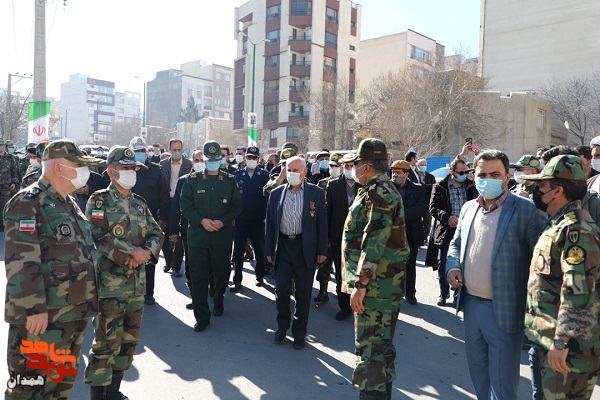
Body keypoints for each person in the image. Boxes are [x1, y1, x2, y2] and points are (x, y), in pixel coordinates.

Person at [4, 139, 102, 399]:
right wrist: (33, 309)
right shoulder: (28, 201)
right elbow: (21, 261)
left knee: (57, 387)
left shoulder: (67, 202)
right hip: (42, 320)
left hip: (71, 313)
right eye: (79, 165)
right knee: (29, 388)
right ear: (59, 168)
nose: (85, 171)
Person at [446, 150, 546, 400]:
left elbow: (542, 265)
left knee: (502, 383)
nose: (487, 179)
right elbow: (456, 244)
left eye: (494, 174)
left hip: (504, 310)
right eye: (482, 174)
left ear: (507, 177)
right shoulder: (469, 208)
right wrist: (453, 266)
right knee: (478, 374)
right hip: (470, 304)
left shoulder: (526, 211)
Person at [84, 145, 164, 400]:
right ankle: (98, 395)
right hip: (109, 286)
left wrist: (147, 252)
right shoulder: (99, 200)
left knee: (129, 341)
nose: (131, 172)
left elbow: (157, 233)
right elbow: (97, 235)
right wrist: (131, 252)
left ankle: (114, 391)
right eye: (125, 168)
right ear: (110, 171)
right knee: (106, 343)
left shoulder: (139, 204)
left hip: (136, 287)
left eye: (133, 168)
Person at [521, 154, 600, 400]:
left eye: (541, 186)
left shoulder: (576, 230)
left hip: (568, 353)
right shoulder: (558, 223)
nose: (536, 190)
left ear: (557, 191)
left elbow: (578, 292)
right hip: (546, 341)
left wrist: (561, 343)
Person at [341, 138, 409, 400]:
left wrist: (360, 285)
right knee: (380, 353)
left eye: (355, 164)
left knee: (372, 354)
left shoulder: (379, 194)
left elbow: (373, 244)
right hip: (381, 286)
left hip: (377, 289)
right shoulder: (375, 190)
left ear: (366, 166)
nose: (353, 168)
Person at [265, 156, 327, 350]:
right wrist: (268, 250)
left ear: (304, 172)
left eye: (296, 170)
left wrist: (322, 250)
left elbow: (322, 223)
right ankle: (282, 327)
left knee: (303, 292)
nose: (292, 173)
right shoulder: (276, 194)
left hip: (305, 247)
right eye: (289, 169)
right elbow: (271, 225)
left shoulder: (316, 193)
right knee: (281, 289)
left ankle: (299, 332)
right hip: (283, 246)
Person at [180, 140, 241, 332]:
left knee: (221, 273)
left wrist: (223, 221)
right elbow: (185, 205)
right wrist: (202, 221)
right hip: (198, 238)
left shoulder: (230, 181)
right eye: (210, 160)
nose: (213, 163)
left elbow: (236, 207)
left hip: (221, 238)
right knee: (198, 277)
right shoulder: (193, 180)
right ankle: (202, 317)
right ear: (205, 161)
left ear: (221, 160)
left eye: (217, 159)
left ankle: (218, 298)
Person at [425, 158, 478, 306]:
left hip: (467, 230)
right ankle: (443, 293)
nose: (463, 175)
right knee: (443, 263)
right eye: (460, 172)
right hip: (446, 230)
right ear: (452, 172)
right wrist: (447, 217)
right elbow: (433, 208)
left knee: (462, 263)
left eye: (466, 172)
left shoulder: (471, 186)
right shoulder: (440, 186)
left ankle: (457, 295)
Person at [129, 136, 170, 306]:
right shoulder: (126, 169)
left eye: (141, 151)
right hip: (128, 219)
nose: (139, 154)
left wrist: (162, 220)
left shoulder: (156, 170)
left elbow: (165, 197)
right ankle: (129, 292)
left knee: (148, 256)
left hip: (150, 218)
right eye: (136, 151)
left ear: (146, 151)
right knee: (130, 255)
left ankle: (148, 293)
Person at [321, 152, 361, 320]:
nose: (350, 169)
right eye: (347, 166)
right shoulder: (333, 185)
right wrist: (328, 238)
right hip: (339, 237)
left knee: (360, 273)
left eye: (353, 166)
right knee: (341, 273)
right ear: (343, 167)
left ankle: (360, 305)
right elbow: (327, 213)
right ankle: (344, 306)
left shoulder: (364, 186)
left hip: (359, 238)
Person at [231, 146, 270, 291]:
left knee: (259, 250)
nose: (251, 160)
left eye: (254, 158)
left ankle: (260, 276)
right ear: (245, 159)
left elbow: (267, 198)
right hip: (241, 219)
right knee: (239, 250)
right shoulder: (237, 174)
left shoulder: (264, 175)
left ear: (258, 159)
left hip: (258, 219)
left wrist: (266, 216)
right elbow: (233, 197)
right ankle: (237, 280)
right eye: (249, 157)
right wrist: (233, 215)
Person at [390, 160, 428, 305]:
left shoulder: (418, 189)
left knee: (410, 264)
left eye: (398, 172)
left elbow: (419, 209)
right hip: (392, 233)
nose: (395, 175)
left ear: (406, 174)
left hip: (411, 233)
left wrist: (399, 216)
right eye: (393, 172)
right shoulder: (389, 188)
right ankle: (394, 293)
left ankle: (410, 293)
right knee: (393, 265)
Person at [170, 150, 204, 301]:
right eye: (196, 160)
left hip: (209, 229)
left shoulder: (215, 179)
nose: (199, 162)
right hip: (188, 228)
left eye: (202, 160)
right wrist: (173, 230)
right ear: (191, 161)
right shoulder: (183, 180)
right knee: (191, 262)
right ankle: (194, 292)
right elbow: (176, 207)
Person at [160, 139, 193, 277]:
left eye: (179, 149)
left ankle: (177, 265)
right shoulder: (162, 165)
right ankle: (169, 260)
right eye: (174, 150)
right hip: (166, 202)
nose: (177, 152)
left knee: (179, 235)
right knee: (164, 233)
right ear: (169, 149)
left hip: (181, 202)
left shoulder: (188, 164)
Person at [0, 138, 19, 231]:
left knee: (5, 207)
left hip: (6, 186)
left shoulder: (10, 157)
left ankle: (4, 226)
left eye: (1, 145)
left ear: (4, 146)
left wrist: (14, 182)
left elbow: (13, 171)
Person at [416, 158, 436, 240]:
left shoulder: (430, 177)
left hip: (427, 202)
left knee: (427, 220)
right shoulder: (414, 175)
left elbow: (433, 190)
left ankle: (424, 237)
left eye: (425, 165)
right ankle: (418, 236)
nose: (423, 167)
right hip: (416, 202)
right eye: (421, 165)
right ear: (417, 165)